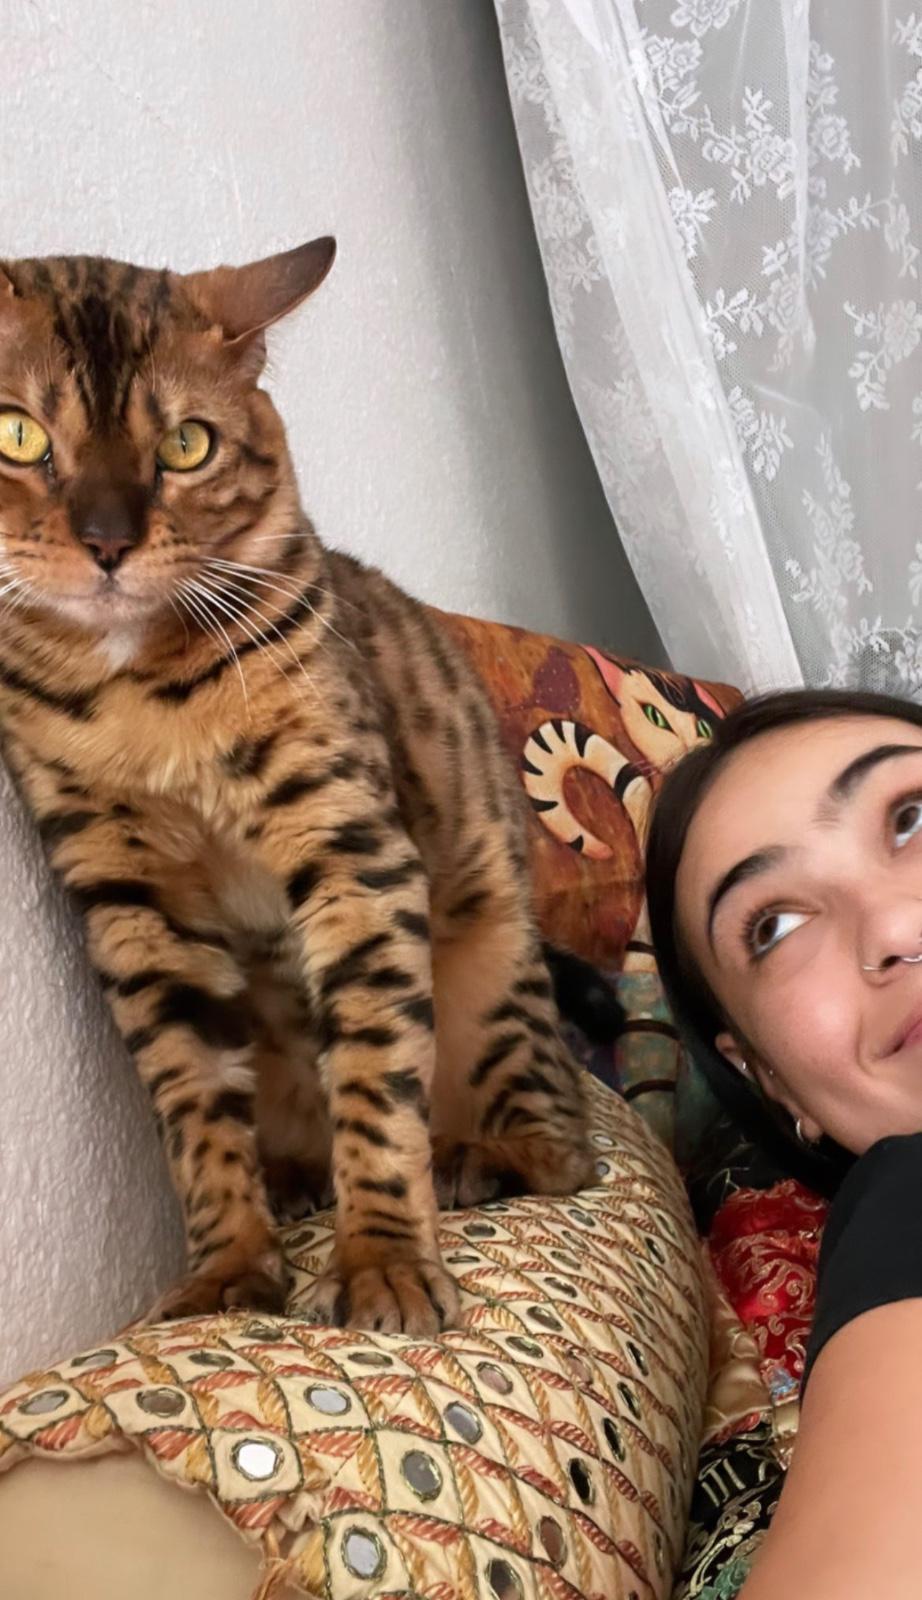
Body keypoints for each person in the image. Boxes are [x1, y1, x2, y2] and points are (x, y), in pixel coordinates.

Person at [647, 686, 922, 1598]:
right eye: (776, 927)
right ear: (770, 1079)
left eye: (913, 817)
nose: (897, 928)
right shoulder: (906, 1200)